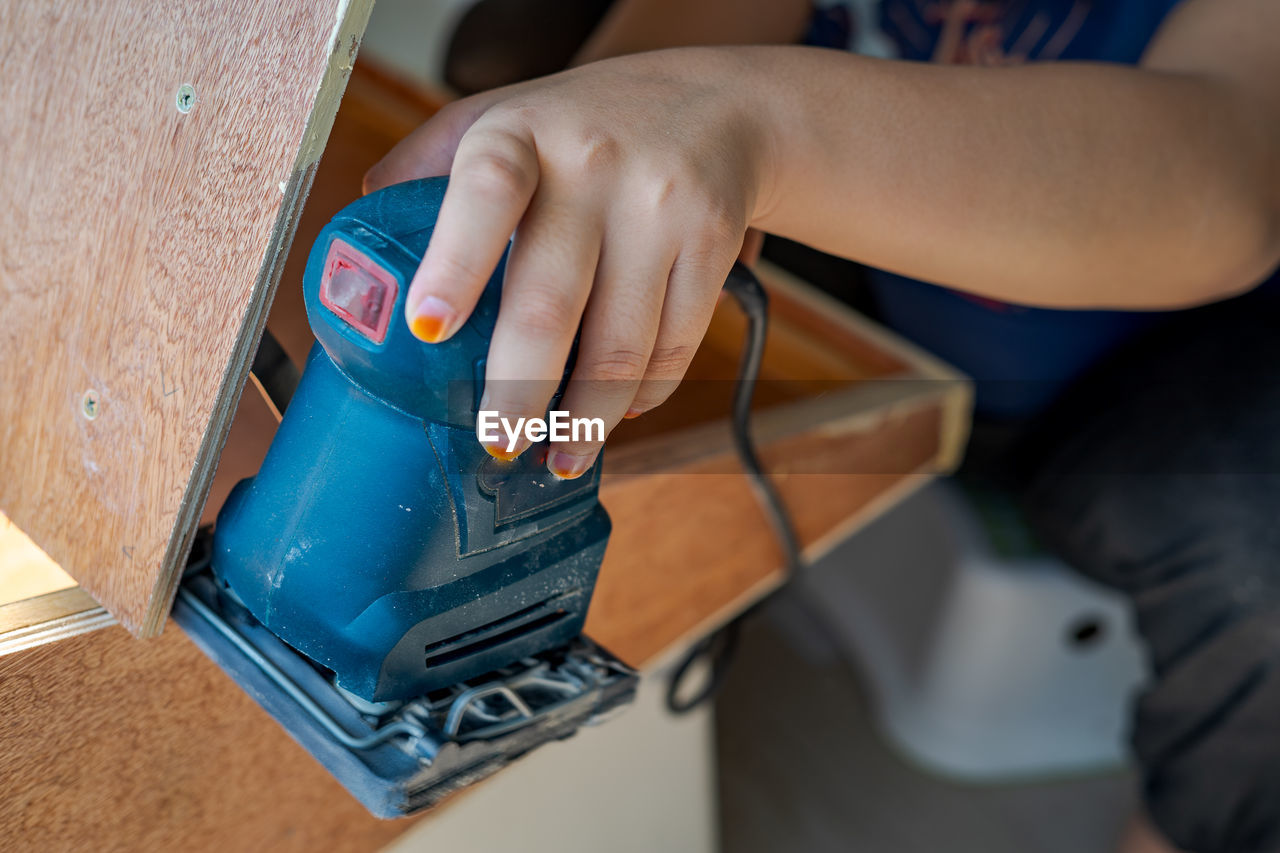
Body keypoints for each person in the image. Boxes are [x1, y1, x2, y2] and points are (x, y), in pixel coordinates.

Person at [363, 0, 1280, 850]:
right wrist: (607, 133)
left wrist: (744, 124)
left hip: (1169, 352)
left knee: (1256, 561)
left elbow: (1230, 172)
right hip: (871, 268)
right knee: (519, 47)